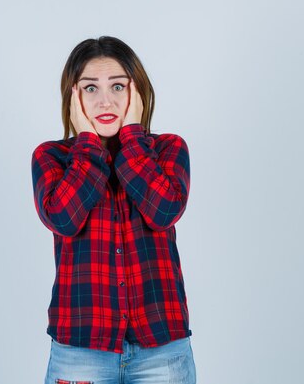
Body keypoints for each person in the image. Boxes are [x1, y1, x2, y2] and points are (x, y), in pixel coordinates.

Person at [31, 36, 196, 384]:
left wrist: (133, 136)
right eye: (90, 89)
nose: (105, 100)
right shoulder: (51, 157)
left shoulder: (168, 149)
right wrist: (89, 144)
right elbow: (63, 217)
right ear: (73, 97)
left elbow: (164, 210)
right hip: (80, 352)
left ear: (136, 93)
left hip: (161, 350)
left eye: (118, 86)